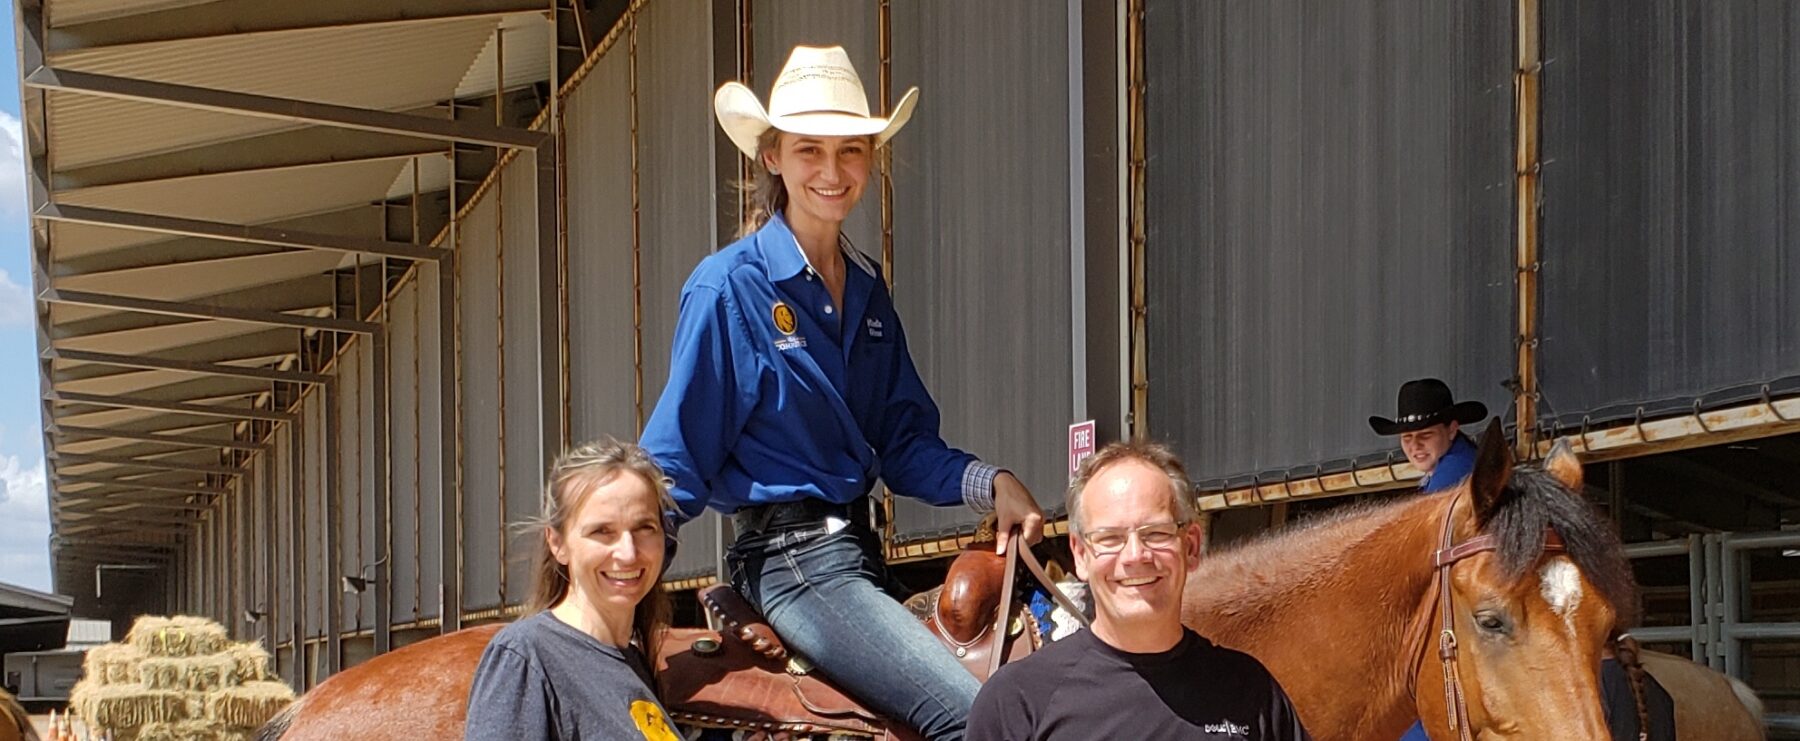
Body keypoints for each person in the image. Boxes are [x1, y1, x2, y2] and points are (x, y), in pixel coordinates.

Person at [639, 45, 1045, 741]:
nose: (832, 172)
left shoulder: (866, 292)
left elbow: (903, 441)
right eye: (809, 151)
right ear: (771, 156)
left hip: (856, 553)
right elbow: (675, 459)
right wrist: (614, 589)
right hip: (792, 562)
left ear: (871, 159)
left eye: (851, 151)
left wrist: (991, 481)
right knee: (983, 719)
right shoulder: (729, 286)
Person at [967, 441, 1311, 740]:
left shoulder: (1249, 692)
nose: (1135, 556)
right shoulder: (1018, 702)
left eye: (1156, 533)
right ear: (1081, 555)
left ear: (1190, 546)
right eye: (1110, 538)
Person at [464, 440, 681, 741]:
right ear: (557, 544)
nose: (628, 553)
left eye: (645, 528)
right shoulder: (525, 656)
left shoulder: (633, 663)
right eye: (602, 532)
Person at [1369, 377, 1488, 494]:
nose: (1415, 445)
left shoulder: (1454, 471)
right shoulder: (1460, 458)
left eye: (1426, 435)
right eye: (1407, 437)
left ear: (1452, 430)